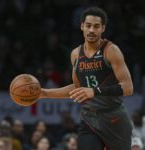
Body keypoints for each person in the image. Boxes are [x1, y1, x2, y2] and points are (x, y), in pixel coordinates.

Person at [39, 7, 133, 150]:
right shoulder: (76, 54)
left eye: (96, 26)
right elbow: (78, 89)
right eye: (88, 25)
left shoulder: (111, 50)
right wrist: (44, 93)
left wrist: (94, 91)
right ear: (82, 26)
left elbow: (128, 88)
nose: (91, 30)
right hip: (89, 119)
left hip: (114, 118)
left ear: (103, 28)